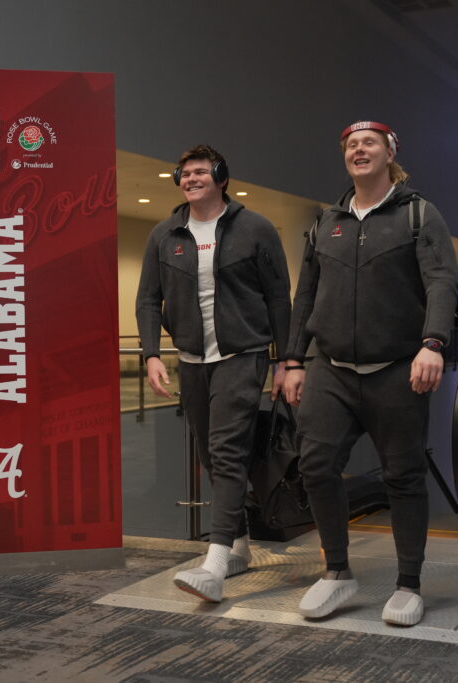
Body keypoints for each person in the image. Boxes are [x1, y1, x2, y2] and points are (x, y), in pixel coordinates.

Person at [283, 121, 458, 625]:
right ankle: (337, 572)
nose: (359, 150)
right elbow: (306, 295)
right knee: (315, 465)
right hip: (332, 370)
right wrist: (292, 360)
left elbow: (443, 280)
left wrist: (433, 343)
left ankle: (408, 584)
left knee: (403, 477)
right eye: (351, 145)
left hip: (398, 370)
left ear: (389, 153)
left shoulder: (418, 215)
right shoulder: (325, 222)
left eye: (370, 143)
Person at [136, 144, 292, 602]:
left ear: (221, 177)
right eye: (184, 173)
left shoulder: (255, 229)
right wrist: (151, 354)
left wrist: (287, 360)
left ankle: (216, 564)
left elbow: (279, 298)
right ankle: (240, 545)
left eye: (201, 171)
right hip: (192, 360)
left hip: (242, 355)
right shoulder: (165, 234)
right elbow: (148, 299)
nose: (191, 178)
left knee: (225, 452)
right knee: (210, 454)